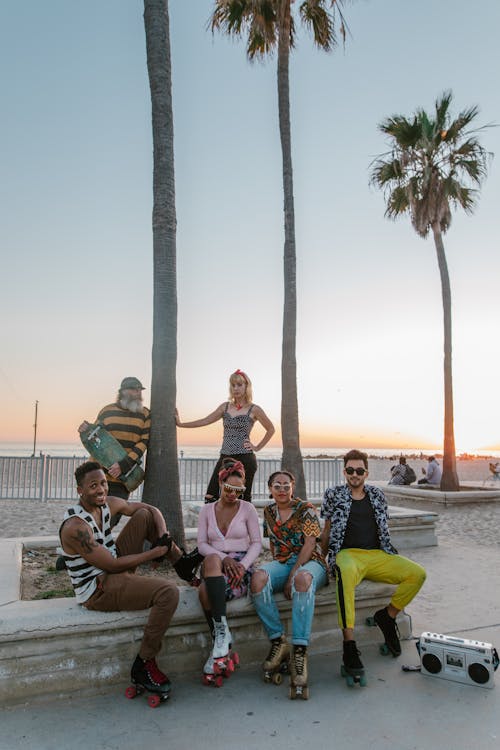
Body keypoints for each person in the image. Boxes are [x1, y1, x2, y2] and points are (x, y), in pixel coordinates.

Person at [58, 461, 200, 698]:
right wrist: (155, 553)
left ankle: (181, 563)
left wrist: (163, 538)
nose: (101, 489)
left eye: (103, 483)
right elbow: (110, 565)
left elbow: (152, 509)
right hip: (98, 589)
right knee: (168, 592)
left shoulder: (108, 504)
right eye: (93, 486)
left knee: (144, 515)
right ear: (80, 491)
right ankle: (144, 663)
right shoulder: (76, 527)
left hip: (114, 571)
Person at [320, 449, 426, 684]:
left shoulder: (377, 494)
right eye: (350, 470)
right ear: (344, 471)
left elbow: (382, 528)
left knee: (417, 574)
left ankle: (387, 616)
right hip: (348, 555)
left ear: (366, 473)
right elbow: (326, 530)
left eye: (359, 470)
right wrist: (322, 557)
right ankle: (349, 644)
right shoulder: (333, 494)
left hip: (378, 555)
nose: (354, 474)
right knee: (344, 576)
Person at [251, 471, 327, 699]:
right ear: (270, 489)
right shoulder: (269, 511)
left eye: (286, 485)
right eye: (277, 485)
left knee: (302, 580)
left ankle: (300, 651)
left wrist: (294, 573)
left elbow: (311, 542)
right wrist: (278, 571)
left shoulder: (307, 509)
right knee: (257, 579)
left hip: (311, 561)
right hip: (283, 562)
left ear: (293, 487)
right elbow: (274, 546)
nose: (282, 489)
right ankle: (278, 641)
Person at [197, 459, 262, 685]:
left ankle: (219, 639)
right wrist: (224, 559)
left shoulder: (248, 509)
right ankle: (222, 633)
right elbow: (202, 544)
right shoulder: (206, 510)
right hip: (215, 563)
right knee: (213, 558)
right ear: (220, 483)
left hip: (240, 564)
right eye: (229, 488)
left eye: (238, 490)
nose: (233, 494)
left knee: (204, 593)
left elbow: (256, 543)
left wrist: (242, 565)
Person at [176, 369, 275, 503]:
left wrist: (257, 447)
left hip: (245, 458)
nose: (236, 388)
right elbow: (205, 421)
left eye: (239, 385)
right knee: (211, 497)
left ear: (247, 386)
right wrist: (181, 424)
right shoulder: (225, 407)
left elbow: (271, 429)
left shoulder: (254, 409)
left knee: (242, 500)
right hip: (225, 457)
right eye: (233, 385)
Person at [78, 376, 150, 501]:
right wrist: (86, 428)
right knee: (89, 517)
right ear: (122, 391)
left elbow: (143, 442)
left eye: (139, 390)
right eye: (134, 389)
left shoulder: (145, 414)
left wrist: (122, 466)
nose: (138, 392)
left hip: (122, 477)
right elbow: (96, 436)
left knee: (111, 518)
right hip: (97, 474)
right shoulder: (107, 411)